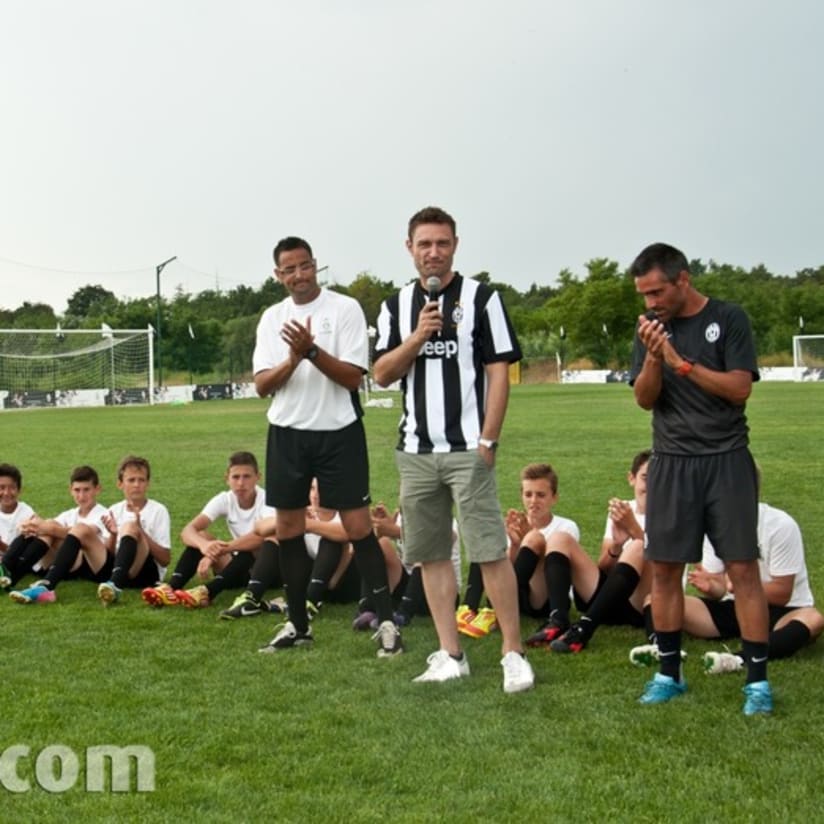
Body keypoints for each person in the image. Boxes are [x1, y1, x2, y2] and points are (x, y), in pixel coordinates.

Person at [372, 205, 534, 692]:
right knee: (431, 554)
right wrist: (419, 335)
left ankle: (513, 652)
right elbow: (381, 373)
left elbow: (499, 371)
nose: (433, 253)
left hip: (468, 447)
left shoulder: (483, 299)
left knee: (489, 549)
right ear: (409, 249)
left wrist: (489, 438)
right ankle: (450, 652)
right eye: (424, 244)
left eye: (442, 243)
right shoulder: (395, 307)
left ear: (455, 246)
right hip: (416, 450)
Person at [630, 241, 772, 715]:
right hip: (671, 461)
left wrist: (680, 363)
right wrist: (653, 358)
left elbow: (739, 389)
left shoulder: (729, 319)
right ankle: (668, 674)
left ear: (683, 279)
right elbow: (645, 400)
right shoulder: (649, 330)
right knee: (666, 570)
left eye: (657, 292)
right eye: (644, 295)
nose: (651, 303)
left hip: (726, 459)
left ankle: (757, 684)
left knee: (742, 570)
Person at [252, 235, 402, 657]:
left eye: (305, 266)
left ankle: (387, 621)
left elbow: (354, 376)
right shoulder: (271, 318)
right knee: (288, 530)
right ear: (278, 275)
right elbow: (263, 384)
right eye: (289, 269)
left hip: (339, 431)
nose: (299, 275)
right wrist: (294, 358)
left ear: (316, 265)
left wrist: (312, 350)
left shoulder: (344, 308)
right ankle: (297, 625)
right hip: (287, 432)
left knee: (358, 528)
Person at [684, 496, 823, 672]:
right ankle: (659, 649)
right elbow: (723, 588)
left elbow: (782, 594)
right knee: (662, 602)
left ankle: (737, 659)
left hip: (783, 612)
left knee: (813, 619)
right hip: (735, 605)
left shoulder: (780, 526)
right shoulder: (713, 525)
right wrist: (713, 588)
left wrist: (738, 584)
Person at [141, 451, 276, 609]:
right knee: (202, 536)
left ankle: (208, 592)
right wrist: (204, 546)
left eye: (246, 476)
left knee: (254, 547)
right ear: (227, 479)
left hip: (268, 570)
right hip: (238, 567)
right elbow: (188, 531)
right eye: (235, 477)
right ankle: (171, 587)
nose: (241, 483)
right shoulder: (225, 499)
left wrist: (217, 551)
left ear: (258, 477)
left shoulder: (267, 500)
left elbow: (262, 537)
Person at [548, 450, 652, 652]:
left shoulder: (673, 513)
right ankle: (557, 620)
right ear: (631, 478)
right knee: (560, 539)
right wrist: (616, 546)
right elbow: (604, 566)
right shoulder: (623, 509)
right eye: (646, 478)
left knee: (639, 546)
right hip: (609, 598)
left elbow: (661, 564)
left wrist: (635, 532)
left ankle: (583, 629)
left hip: (642, 603)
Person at [7, 465, 111, 603]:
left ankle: (47, 587)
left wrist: (43, 527)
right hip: (71, 564)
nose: (81, 496)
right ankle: (8, 577)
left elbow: (83, 532)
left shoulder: (103, 513)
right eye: (77, 490)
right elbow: (47, 526)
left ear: (97, 489)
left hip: (94, 565)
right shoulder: (70, 514)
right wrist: (28, 525)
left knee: (73, 529)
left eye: (86, 490)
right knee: (48, 525)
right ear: (70, 490)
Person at [96, 455, 171, 605]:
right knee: (127, 528)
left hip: (146, 574)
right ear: (120, 484)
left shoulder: (158, 510)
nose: (137, 485)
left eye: (141, 480)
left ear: (148, 484)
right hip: (121, 570)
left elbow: (165, 560)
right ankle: (115, 582)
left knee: (130, 526)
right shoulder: (114, 510)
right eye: (131, 480)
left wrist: (140, 531)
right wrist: (113, 534)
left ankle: (114, 585)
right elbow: (108, 554)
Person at [0, 463, 36, 589]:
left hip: (14, 562)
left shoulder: (27, 514)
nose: (6, 493)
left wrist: (1, 545)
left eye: (12, 488)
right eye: (2, 487)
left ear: (19, 490)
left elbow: (20, 552)